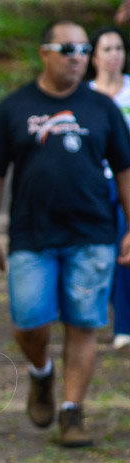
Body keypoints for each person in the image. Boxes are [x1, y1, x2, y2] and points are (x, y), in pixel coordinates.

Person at [0, 20, 130, 448]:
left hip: (92, 233)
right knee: (30, 321)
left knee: (83, 324)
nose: (77, 56)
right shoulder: (14, 108)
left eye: (83, 49)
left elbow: (125, 171)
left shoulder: (103, 109)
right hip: (32, 236)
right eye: (67, 48)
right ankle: (41, 372)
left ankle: (72, 411)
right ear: (44, 52)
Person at [86, 26, 130, 349]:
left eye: (119, 48)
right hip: (95, 184)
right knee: (103, 254)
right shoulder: (84, 96)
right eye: (107, 49)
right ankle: (104, 317)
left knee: (126, 251)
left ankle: (125, 325)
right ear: (93, 57)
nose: (115, 55)